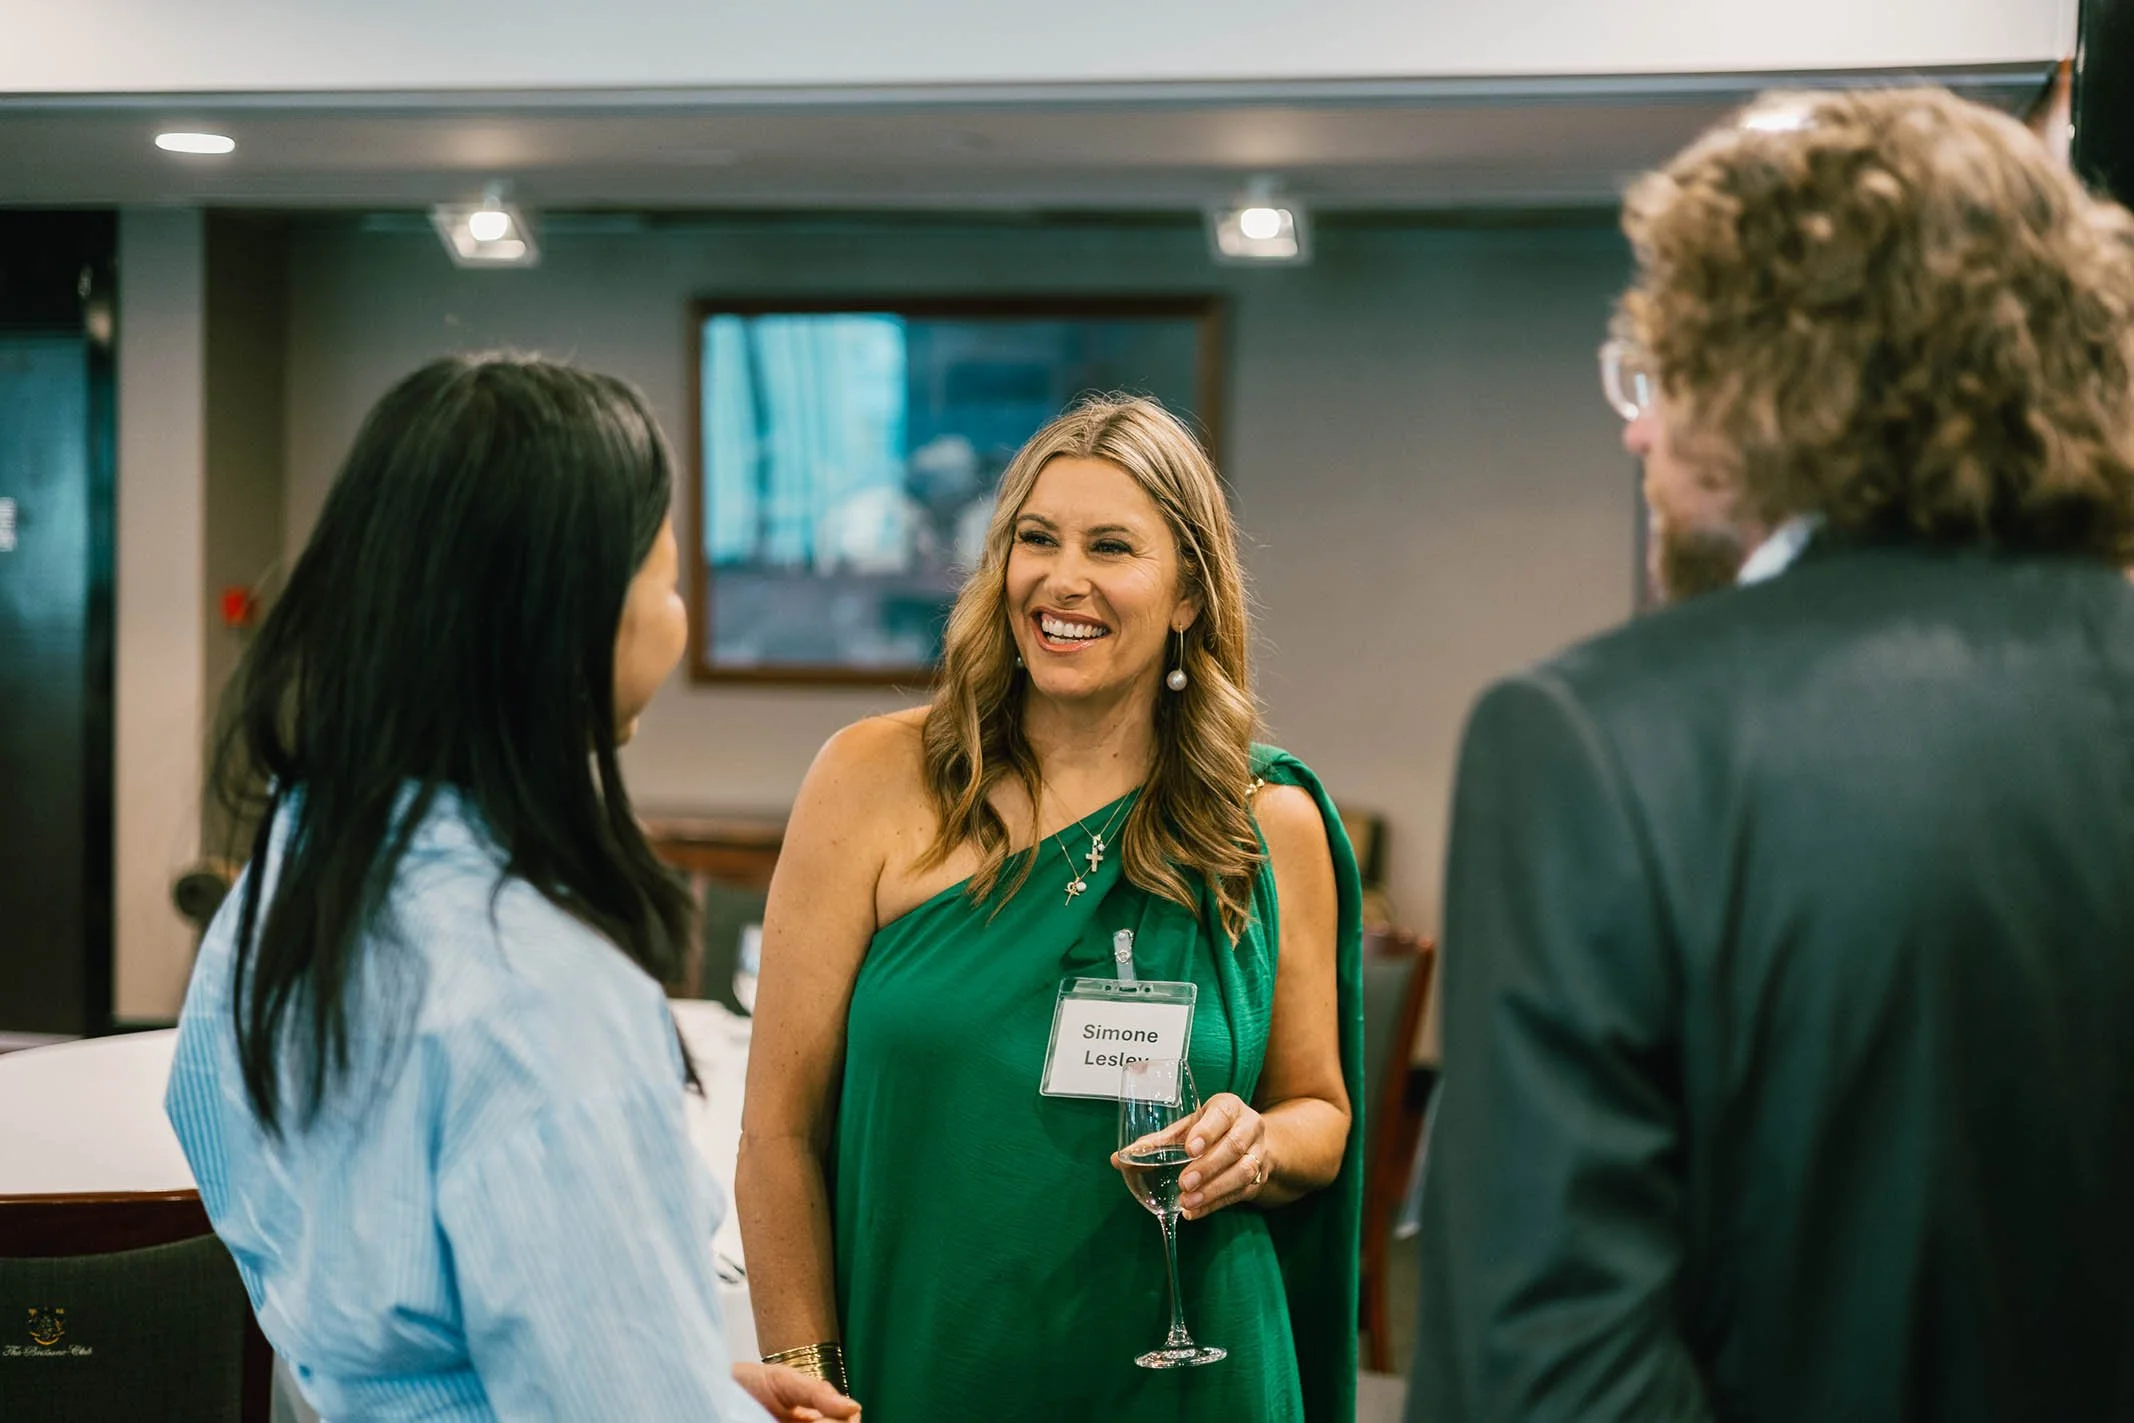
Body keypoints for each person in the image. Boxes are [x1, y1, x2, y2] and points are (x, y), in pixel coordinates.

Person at [1409, 88, 2134, 1421]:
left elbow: (1548, 1382)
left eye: (1659, 369)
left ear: (1763, 380)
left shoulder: (1596, 741)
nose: (1637, 427)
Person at [165, 355, 860, 1423]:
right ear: (570, 614)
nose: (676, 619)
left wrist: (688, 1385)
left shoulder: (296, 869)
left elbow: (369, 1288)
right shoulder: (542, 992)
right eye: (666, 578)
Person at [736, 395, 1366, 1421]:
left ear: (1187, 596)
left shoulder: (1266, 818)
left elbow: (1320, 1116)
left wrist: (1257, 1143)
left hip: (1189, 1376)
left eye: (1111, 546)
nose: (1061, 579)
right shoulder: (872, 779)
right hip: (931, 1358)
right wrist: (808, 1373)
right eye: (1036, 539)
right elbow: (776, 1130)